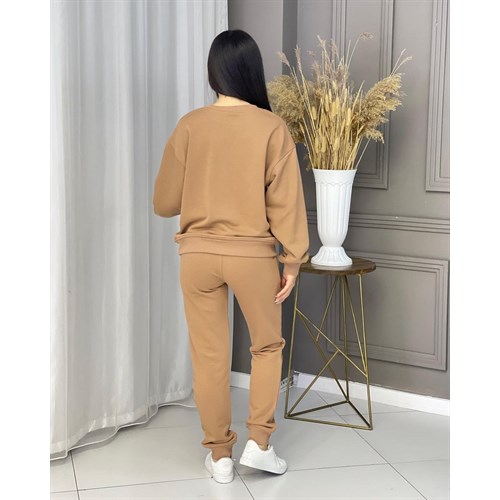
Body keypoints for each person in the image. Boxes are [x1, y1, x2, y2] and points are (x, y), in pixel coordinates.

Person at [153, 29, 309, 484]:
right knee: (267, 347)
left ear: (213, 73)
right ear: (252, 71)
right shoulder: (271, 127)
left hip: (197, 256)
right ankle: (259, 444)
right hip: (252, 257)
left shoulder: (190, 125)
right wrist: (293, 261)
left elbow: (164, 203)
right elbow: (286, 204)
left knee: (209, 355)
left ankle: (220, 455)